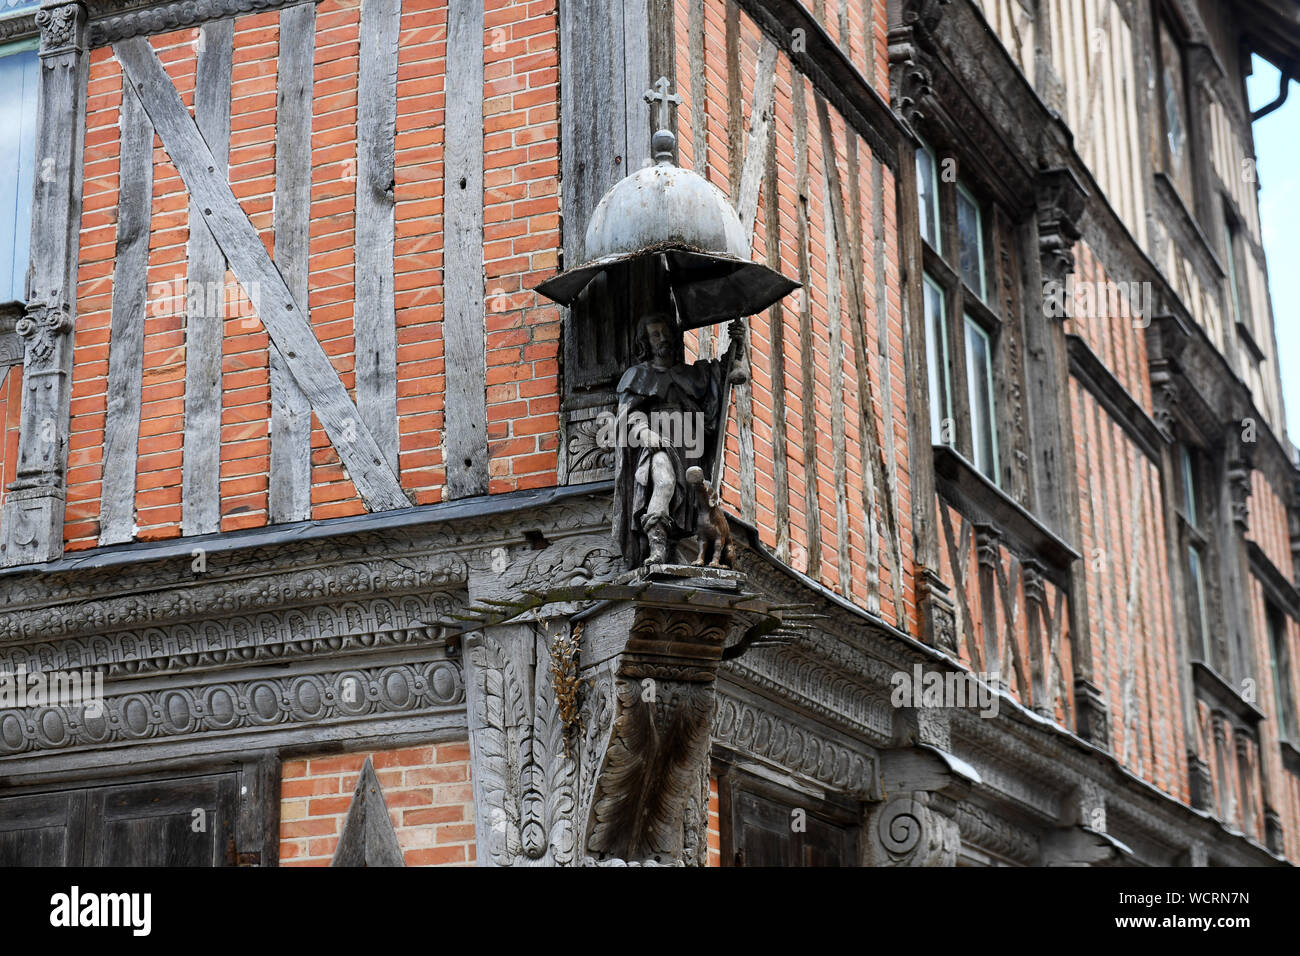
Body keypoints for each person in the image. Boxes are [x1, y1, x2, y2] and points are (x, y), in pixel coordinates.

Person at [612, 311, 744, 568]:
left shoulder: (691, 374)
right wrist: (643, 432)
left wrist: (736, 346)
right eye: (655, 335)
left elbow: (720, 379)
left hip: (688, 442)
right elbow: (627, 414)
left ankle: (679, 545)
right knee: (663, 481)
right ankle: (657, 549)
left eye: (665, 332)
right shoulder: (638, 375)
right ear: (645, 342)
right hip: (656, 440)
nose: (662, 339)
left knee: (692, 499)